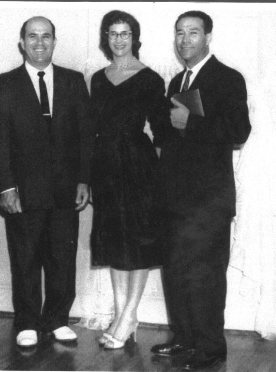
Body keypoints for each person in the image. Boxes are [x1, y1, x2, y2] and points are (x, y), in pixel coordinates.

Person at [151, 11, 251, 371]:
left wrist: (189, 122)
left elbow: (239, 131)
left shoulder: (227, 78)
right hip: (176, 196)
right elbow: (174, 137)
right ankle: (184, 339)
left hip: (209, 199)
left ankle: (210, 348)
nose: (184, 40)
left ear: (208, 36)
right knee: (176, 270)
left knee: (205, 274)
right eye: (179, 33)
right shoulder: (177, 81)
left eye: (193, 33)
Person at [0, 16, 94, 347]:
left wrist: (84, 180)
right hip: (23, 191)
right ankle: (28, 322)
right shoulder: (4, 84)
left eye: (46, 36)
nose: (39, 43)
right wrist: (6, 188)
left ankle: (57, 319)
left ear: (54, 41)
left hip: (65, 190)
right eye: (32, 37)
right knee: (26, 258)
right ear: (22, 43)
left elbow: (85, 136)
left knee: (62, 259)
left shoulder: (74, 81)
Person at [90, 10, 171, 349]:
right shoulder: (97, 78)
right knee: (114, 242)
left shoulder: (151, 79)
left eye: (125, 33)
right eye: (113, 33)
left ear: (134, 37)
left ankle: (127, 316)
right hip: (105, 166)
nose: (119, 39)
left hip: (138, 166)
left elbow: (163, 130)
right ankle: (125, 314)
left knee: (136, 242)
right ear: (105, 38)